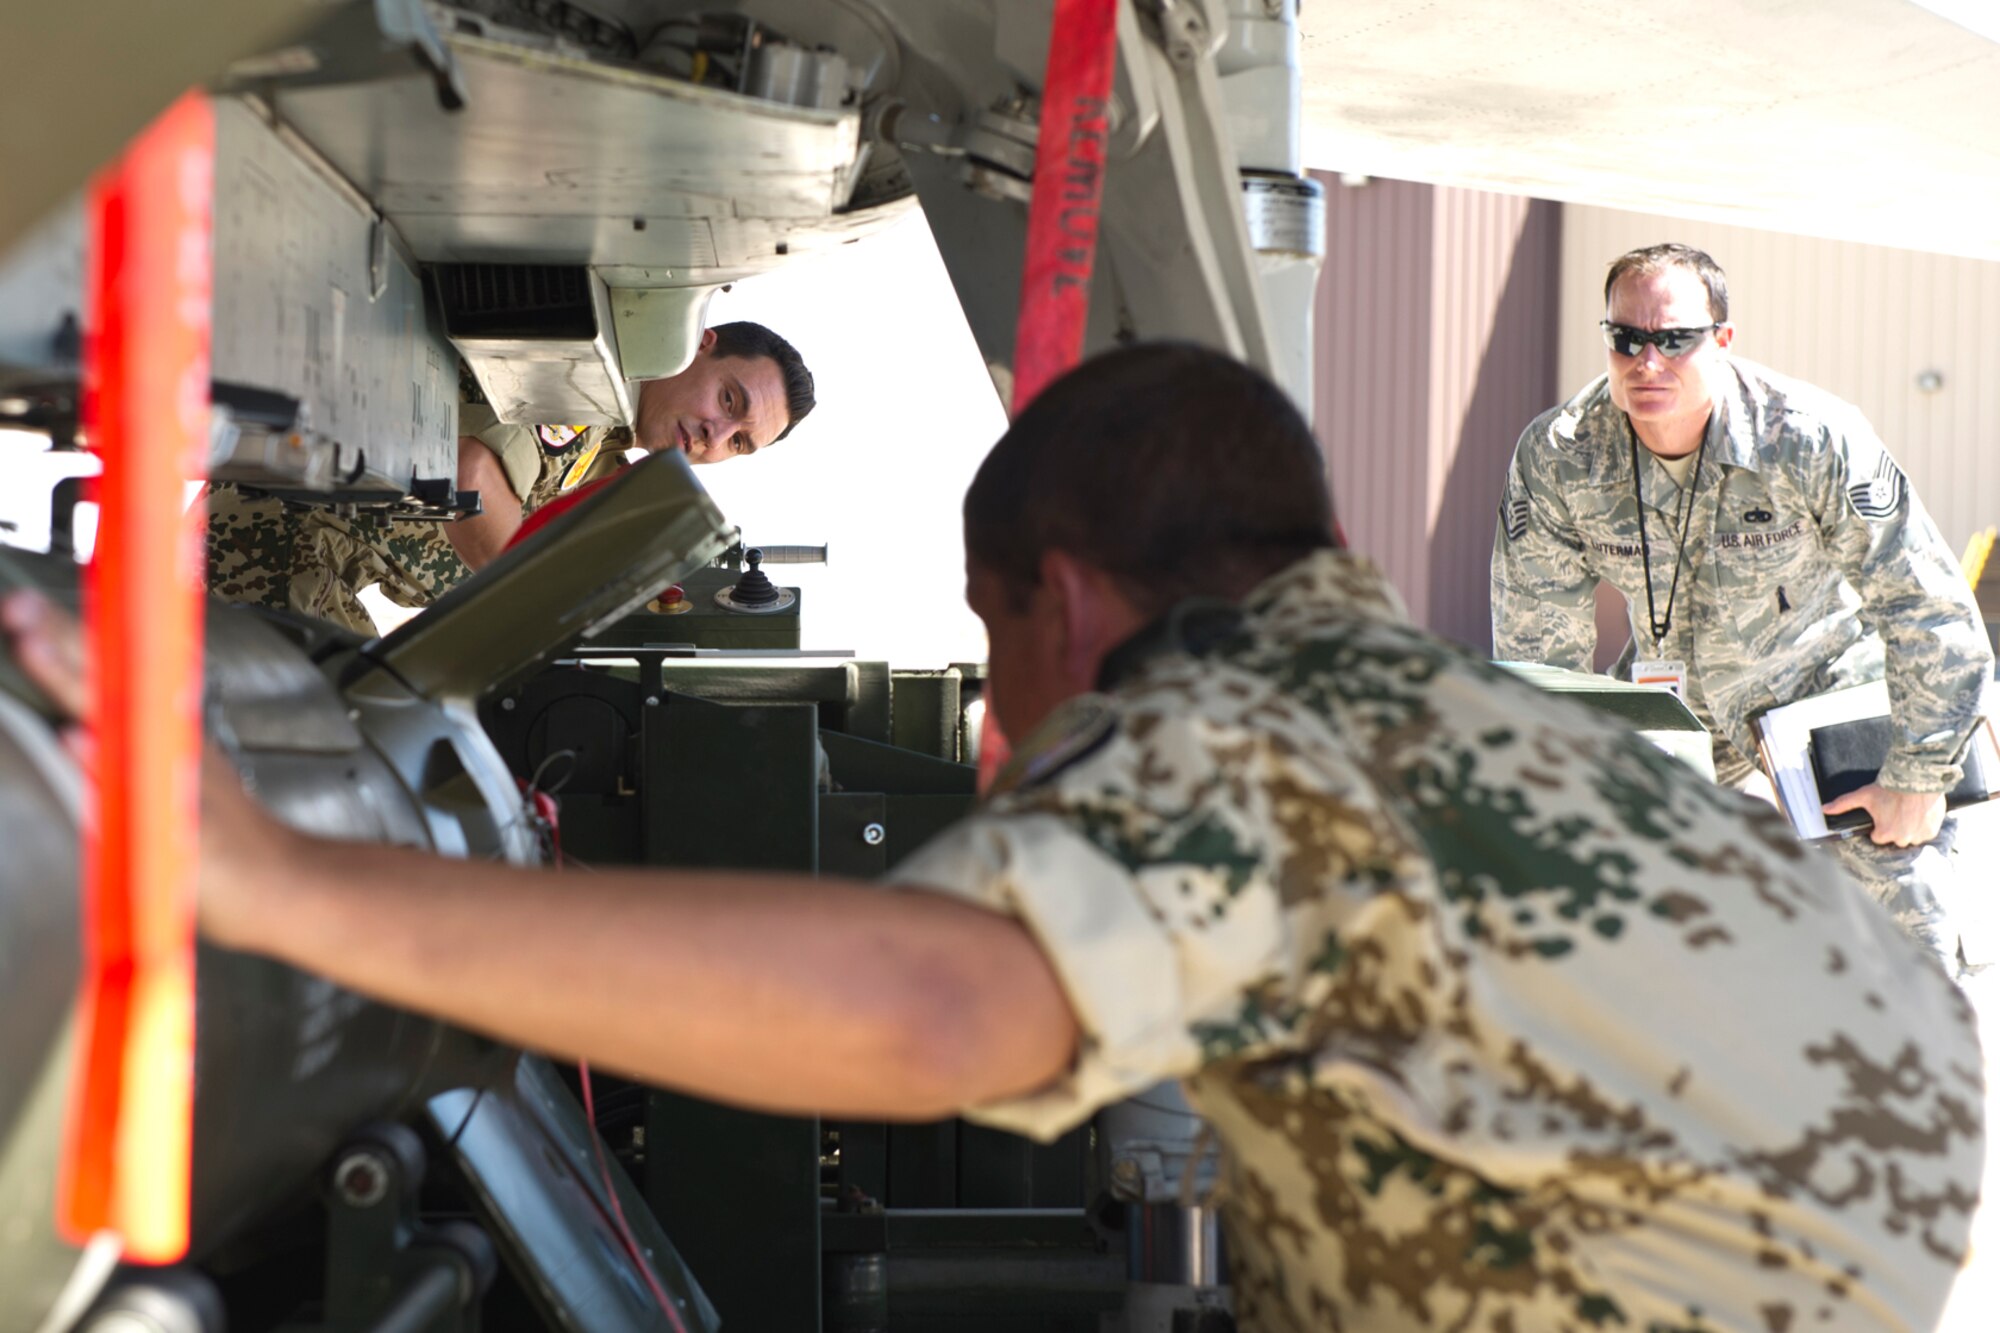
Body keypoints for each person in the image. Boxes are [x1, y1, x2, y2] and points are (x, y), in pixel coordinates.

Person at [4, 345, 1981, 1332]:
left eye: (992, 651)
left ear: (1068, 601)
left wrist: (270, 881)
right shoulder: (1443, 713)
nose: (998, 721)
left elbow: (938, 1014)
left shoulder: (1246, 719)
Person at [1492, 243, 1992, 968]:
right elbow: (1539, 652)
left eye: (1674, 340)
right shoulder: (1564, 454)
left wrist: (1918, 776)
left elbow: (1928, 607)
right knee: (1586, 906)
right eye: (1626, 339)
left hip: (1821, 687)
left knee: (1902, 904)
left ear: (1721, 340)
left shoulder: (1808, 436)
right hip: (1678, 701)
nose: (1647, 361)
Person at [205, 321, 814, 635]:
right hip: (268, 543)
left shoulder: (601, 464)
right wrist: (545, 617)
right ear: (700, 345)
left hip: (292, 571)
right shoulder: (589, 384)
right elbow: (469, 473)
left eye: (739, 442)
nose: (716, 434)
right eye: (729, 400)